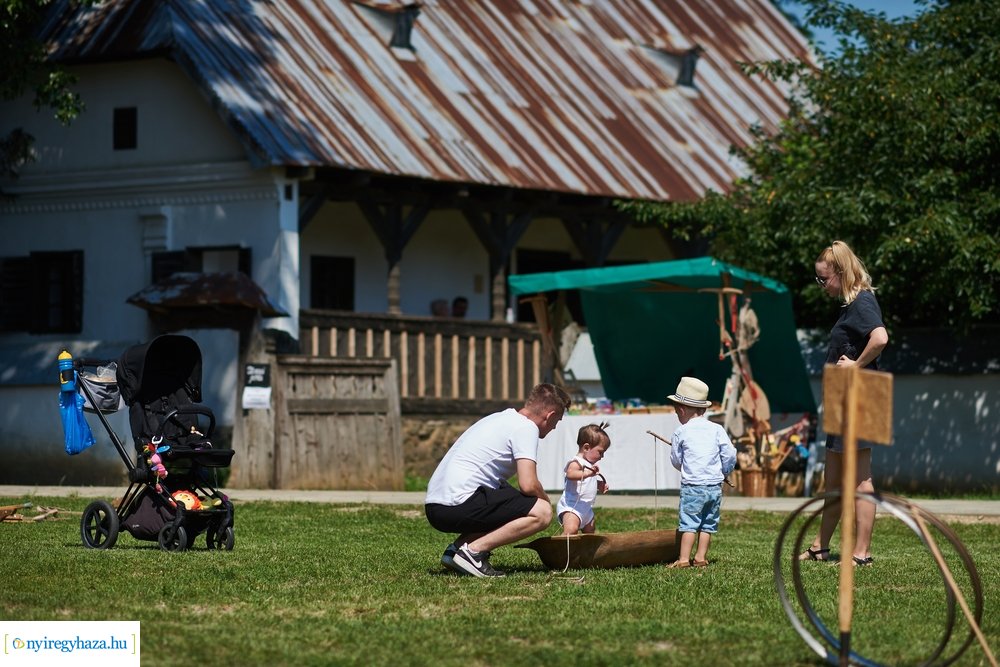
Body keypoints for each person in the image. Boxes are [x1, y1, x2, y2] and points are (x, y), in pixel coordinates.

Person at [800, 240, 889, 567]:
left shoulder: (863, 301)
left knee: (860, 479)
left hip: (860, 398)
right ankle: (820, 547)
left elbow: (880, 338)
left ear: (840, 272)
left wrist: (855, 365)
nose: (821, 286)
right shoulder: (850, 305)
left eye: (824, 279)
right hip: (844, 400)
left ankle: (861, 553)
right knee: (834, 479)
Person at [424, 382, 571, 577]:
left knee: (509, 498)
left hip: (435, 505)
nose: (554, 428)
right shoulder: (526, 428)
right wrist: (546, 500)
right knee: (541, 512)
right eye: (557, 422)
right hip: (456, 504)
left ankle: (456, 550)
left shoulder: (499, 417)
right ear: (550, 415)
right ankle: (473, 553)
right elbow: (528, 484)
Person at [666, 376, 736, 568]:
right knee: (708, 524)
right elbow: (729, 453)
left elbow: (676, 459)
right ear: (703, 409)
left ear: (681, 409)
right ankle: (700, 558)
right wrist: (724, 470)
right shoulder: (717, 429)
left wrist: (685, 467)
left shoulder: (681, 431)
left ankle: (683, 559)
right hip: (714, 486)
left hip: (693, 486)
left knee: (689, 523)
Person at [556, 422, 611, 536]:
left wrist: (598, 484)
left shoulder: (589, 465)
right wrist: (588, 473)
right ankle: (561, 551)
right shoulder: (576, 462)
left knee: (590, 531)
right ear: (586, 447)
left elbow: (587, 483)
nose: (602, 456)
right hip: (572, 507)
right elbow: (571, 474)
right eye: (600, 452)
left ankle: (585, 553)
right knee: (571, 530)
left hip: (586, 508)